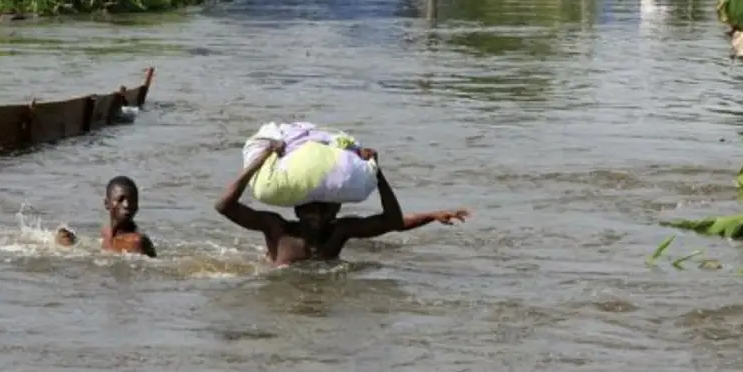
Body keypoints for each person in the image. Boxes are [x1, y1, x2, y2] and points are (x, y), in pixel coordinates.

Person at [214, 141, 469, 267]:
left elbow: (392, 222)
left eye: (324, 207)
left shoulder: (339, 231)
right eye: (310, 207)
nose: (315, 213)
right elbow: (224, 206)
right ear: (297, 208)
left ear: (336, 209)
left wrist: (376, 172)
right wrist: (261, 160)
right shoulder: (278, 228)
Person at [99, 176, 157, 258]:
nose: (127, 205)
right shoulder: (106, 232)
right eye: (120, 199)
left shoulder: (135, 242)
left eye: (132, 201)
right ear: (107, 204)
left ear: (137, 206)